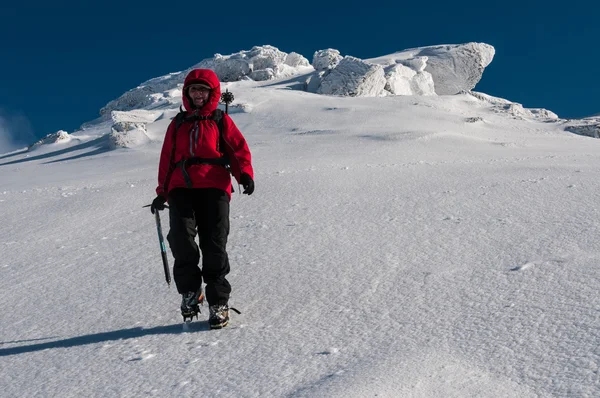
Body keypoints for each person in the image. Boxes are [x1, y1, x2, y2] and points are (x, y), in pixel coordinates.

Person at [150, 68, 254, 329]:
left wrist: (244, 175)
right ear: (187, 93)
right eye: (193, 89)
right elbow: (167, 159)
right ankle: (191, 291)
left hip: (214, 186)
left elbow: (237, 149)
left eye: (203, 89)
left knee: (214, 242)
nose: (198, 94)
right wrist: (162, 191)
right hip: (180, 187)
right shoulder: (177, 123)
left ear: (211, 93)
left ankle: (218, 301)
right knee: (181, 239)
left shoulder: (220, 120)